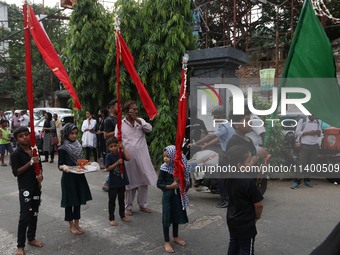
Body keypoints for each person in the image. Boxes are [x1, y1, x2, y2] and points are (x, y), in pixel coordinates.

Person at [189, 106, 235, 208]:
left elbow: (211, 136)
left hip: (229, 154)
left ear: (220, 116)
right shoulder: (226, 124)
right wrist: (206, 145)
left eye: (215, 116)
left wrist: (195, 144)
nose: (214, 118)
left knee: (218, 176)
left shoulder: (224, 126)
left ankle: (225, 199)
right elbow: (218, 138)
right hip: (229, 153)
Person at [117, 100, 157, 216]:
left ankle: (142, 205)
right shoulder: (120, 124)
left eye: (136, 109)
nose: (135, 111)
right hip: (128, 159)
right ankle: (128, 207)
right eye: (132, 109)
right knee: (130, 183)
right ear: (127, 111)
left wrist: (137, 120)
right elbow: (117, 140)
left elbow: (149, 129)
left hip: (142, 157)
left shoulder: (141, 121)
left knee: (143, 181)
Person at [225, 145, 264, 255]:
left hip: (232, 219)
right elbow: (259, 204)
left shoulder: (228, 176)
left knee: (233, 243)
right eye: (248, 161)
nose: (251, 163)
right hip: (246, 223)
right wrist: (256, 217)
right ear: (239, 165)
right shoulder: (247, 182)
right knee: (246, 249)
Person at [11, 126, 44, 255]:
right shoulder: (16, 154)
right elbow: (16, 172)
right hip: (26, 189)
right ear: (17, 140)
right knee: (25, 216)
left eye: (26, 134)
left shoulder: (35, 150)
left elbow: (39, 166)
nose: (25, 137)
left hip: (36, 188)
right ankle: (20, 245)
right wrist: (30, 162)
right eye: (21, 136)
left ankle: (31, 238)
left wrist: (41, 176)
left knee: (34, 214)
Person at [58, 123, 92, 235]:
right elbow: (59, 165)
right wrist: (64, 167)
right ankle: (71, 224)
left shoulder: (78, 145)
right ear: (66, 134)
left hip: (79, 176)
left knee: (78, 201)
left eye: (75, 133)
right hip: (68, 178)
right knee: (69, 202)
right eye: (71, 133)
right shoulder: (63, 148)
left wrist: (87, 165)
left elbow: (80, 161)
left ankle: (77, 223)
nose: (74, 136)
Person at [157, 145, 190, 253]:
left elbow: (185, 179)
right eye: (164, 156)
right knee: (167, 217)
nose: (165, 158)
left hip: (177, 196)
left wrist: (180, 180)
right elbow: (159, 184)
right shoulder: (163, 168)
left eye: (168, 156)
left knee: (176, 215)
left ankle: (175, 236)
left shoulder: (178, 167)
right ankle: (166, 241)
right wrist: (170, 186)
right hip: (167, 196)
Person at [105, 137, 131, 226]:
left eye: (115, 146)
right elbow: (107, 168)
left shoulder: (121, 154)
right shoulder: (108, 156)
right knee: (112, 201)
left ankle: (122, 215)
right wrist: (117, 163)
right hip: (113, 183)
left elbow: (128, 158)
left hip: (121, 181)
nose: (113, 148)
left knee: (121, 199)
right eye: (111, 146)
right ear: (108, 148)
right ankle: (111, 218)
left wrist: (123, 147)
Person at [291, 114, 321, 189]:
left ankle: (307, 180)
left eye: (314, 114)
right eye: (312, 114)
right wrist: (309, 133)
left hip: (315, 146)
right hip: (305, 146)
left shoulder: (317, 122)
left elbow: (320, 134)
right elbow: (297, 132)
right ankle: (296, 181)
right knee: (301, 163)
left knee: (311, 164)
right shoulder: (302, 121)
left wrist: (318, 134)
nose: (313, 116)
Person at [102, 99, 118, 191]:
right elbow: (105, 135)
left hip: (119, 146)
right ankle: (108, 182)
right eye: (117, 106)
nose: (119, 108)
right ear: (111, 108)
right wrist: (117, 131)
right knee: (113, 167)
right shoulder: (109, 120)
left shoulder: (120, 119)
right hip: (112, 148)